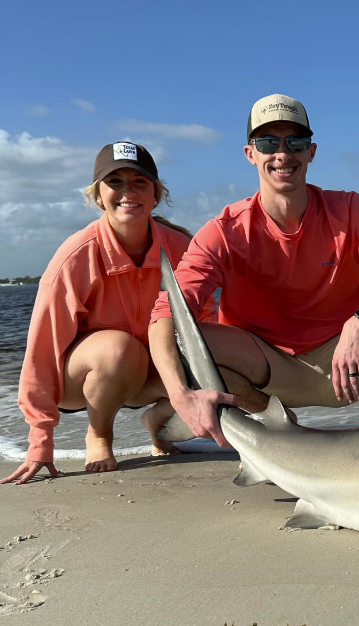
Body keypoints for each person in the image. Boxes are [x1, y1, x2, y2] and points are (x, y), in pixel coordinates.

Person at [148, 94, 359, 446]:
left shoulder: (349, 210)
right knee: (186, 338)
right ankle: (274, 428)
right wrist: (181, 394)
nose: (282, 153)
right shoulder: (225, 230)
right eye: (268, 142)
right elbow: (166, 314)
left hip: (347, 365)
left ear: (311, 152)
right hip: (267, 375)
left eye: (295, 141)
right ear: (250, 153)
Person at [1, 142, 216, 485]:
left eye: (140, 182)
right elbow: (41, 351)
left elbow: (209, 324)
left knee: (218, 353)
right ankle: (99, 435)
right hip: (83, 380)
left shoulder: (179, 248)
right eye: (115, 182)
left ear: (156, 194)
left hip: (148, 374)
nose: (127, 191)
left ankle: (160, 423)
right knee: (119, 349)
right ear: (98, 197)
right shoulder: (76, 255)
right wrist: (40, 439)